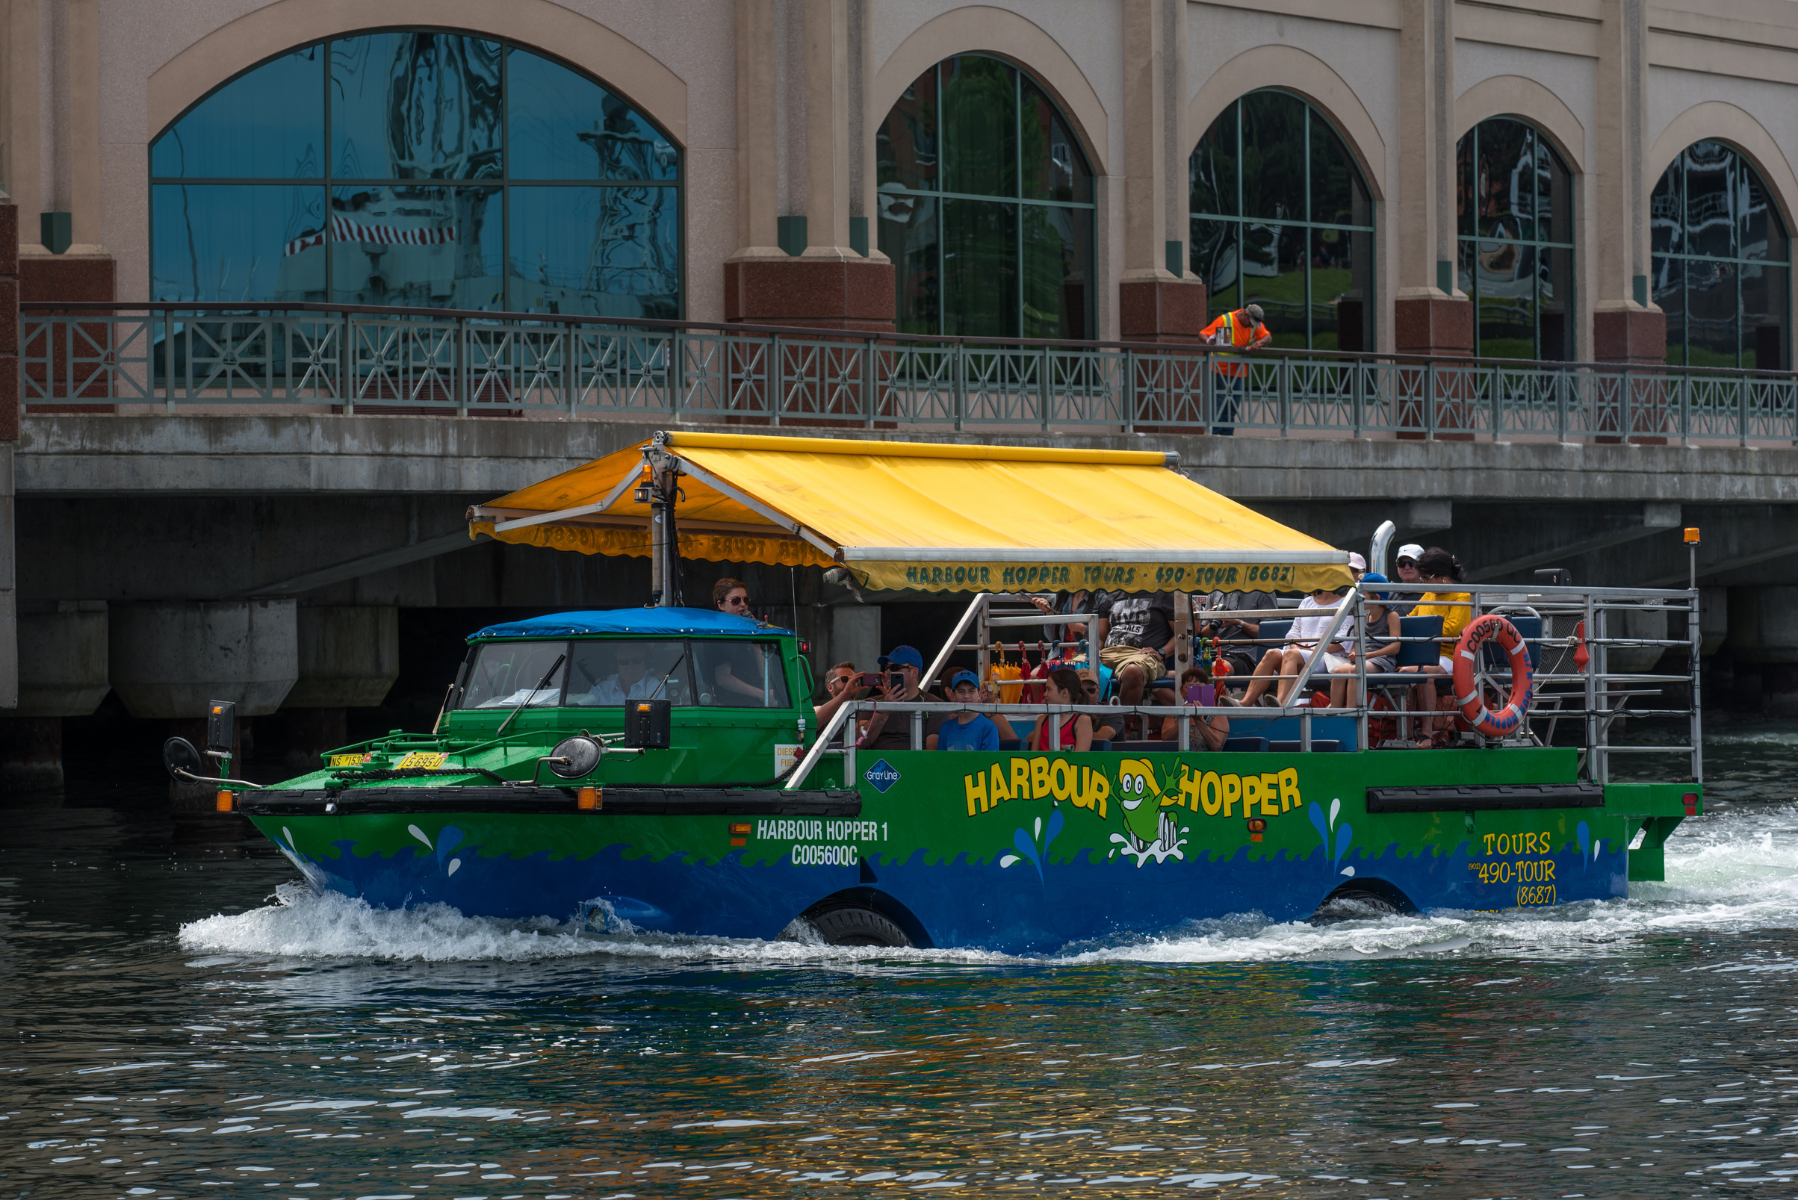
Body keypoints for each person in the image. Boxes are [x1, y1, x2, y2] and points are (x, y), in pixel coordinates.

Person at [1399, 548, 1472, 745]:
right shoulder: (1429, 594)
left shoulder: (1461, 596)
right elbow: (1409, 620)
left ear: (1442, 576)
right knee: (1411, 671)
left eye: (1425, 578)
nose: (1424, 583)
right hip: (1425, 653)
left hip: (1450, 656)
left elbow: (1454, 629)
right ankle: (1405, 734)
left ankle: (1426, 733)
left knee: (1424, 673)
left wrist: (1420, 631)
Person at [1240, 586, 1351, 708]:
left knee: (1291, 654)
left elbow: (1341, 641)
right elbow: (1293, 633)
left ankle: (1281, 703)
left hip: (1328, 657)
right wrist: (1297, 648)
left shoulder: (1346, 602)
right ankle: (1245, 703)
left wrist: (1311, 650)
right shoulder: (1306, 602)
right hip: (1301, 654)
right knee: (1271, 654)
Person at [1094, 590, 1181, 714]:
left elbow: (1182, 634)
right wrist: (1096, 649)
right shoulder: (1111, 598)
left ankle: (1116, 726)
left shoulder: (1164, 596)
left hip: (1142, 655)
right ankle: (1079, 723)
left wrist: (1162, 652)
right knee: (1073, 668)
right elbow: (1101, 637)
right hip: (1109, 652)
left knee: (1133, 671)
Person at [1328, 574, 1402, 709]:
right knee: (1338, 671)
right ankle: (1335, 714)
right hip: (1364, 658)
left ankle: (1351, 714)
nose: (1358, 599)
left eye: (1362, 595)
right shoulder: (1363, 617)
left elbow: (1395, 647)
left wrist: (1367, 656)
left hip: (1382, 661)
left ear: (1377, 598)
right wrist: (1354, 652)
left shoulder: (1392, 616)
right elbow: (1357, 642)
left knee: (1356, 670)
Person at [1198, 303, 1271, 435]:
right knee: (1218, 405)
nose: (1251, 326)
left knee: (1232, 406)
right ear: (1244, 315)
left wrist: (1258, 344)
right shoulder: (1226, 320)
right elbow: (1202, 334)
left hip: (1238, 372)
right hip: (1219, 369)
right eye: (1250, 322)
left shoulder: (1253, 325)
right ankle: (1215, 434)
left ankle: (1227, 435)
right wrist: (1211, 342)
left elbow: (1267, 337)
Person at [1196, 585, 1276, 689]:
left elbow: (1271, 634)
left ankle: (1205, 704)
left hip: (1243, 655)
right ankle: (1195, 704)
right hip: (1211, 654)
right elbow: (1204, 635)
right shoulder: (1215, 590)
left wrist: (1238, 622)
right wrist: (1212, 623)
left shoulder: (1264, 590)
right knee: (1183, 673)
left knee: (1214, 670)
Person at [856, 645, 930, 750]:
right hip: (877, 765)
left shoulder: (933, 703)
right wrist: (885, 709)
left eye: (895, 668)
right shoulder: (870, 703)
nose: (887, 672)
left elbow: (933, 750)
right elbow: (858, 743)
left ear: (914, 672)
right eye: (887, 667)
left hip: (915, 764)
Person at [709, 578, 769, 703]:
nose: (743, 605)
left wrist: (755, 639)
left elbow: (763, 674)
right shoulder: (722, 635)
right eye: (736, 601)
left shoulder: (744, 633)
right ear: (721, 605)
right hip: (733, 706)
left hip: (753, 704)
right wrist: (761, 694)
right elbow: (723, 678)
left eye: (745, 600)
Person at [927, 670, 1011, 751]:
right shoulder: (945, 728)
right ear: (953, 695)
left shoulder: (989, 728)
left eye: (971, 691)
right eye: (961, 691)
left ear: (979, 694)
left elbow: (988, 763)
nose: (966, 696)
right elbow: (941, 763)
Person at [1025, 667, 1094, 752]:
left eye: (1049, 689)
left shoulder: (1083, 721)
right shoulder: (1041, 720)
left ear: (1064, 693)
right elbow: (1033, 757)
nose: (1045, 694)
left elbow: (1079, 760)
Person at [1168, 665, 1230, 750]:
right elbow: (1166, 738)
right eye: (1189, 687)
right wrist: (1183, 717)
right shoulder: (1174, 713)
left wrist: (1199, 719)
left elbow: (1216, 745)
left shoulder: (1218, 713)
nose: (1192, 690)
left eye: (1198, 686)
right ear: (1181, 691)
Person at [582, 645, 666, 705]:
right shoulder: (602, 687)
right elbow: (584, 712)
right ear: (615, 664)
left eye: (636, 660)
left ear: (647, 661)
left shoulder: (660, 685)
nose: (630, 666)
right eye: (624, 662)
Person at [1388, 543, 1425, 616]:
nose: (1407, 567)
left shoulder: (1432, 594)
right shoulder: (1389, 593)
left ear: (1422, 565)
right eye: (1402, 563)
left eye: (1412, 563)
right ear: (1397, 566)